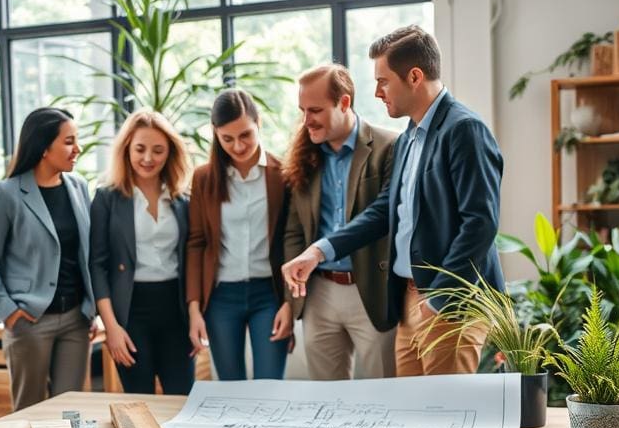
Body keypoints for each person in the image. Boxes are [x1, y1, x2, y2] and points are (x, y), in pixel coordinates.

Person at [282, 26, 504, 376]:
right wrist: (318, 251)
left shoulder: (464, 130)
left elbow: (480, 223)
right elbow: (384, 211)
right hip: (409, 299)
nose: (376, 92)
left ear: (414, 77)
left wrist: (441, 297)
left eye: (383, 81)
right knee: (410, 416)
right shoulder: (407, 139)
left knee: (445, 417)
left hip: (449, 302)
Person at [0, 107, 95, 410]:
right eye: (69, 141)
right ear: (44, 147)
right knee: (30, 413)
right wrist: (10, 313)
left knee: (71, 413)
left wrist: (91, 308)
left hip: (76, 321)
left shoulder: (79, 187)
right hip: (29, 321)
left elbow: (87, 255)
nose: (77, 149)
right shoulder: (7, 194)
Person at [282, 64, 398, 380]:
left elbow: (383, 216)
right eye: (302, 110)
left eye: (315, 110)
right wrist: (293, 296)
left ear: (344, 103)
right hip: (318, 293)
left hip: (370, 290)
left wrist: (319, 250)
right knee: (327, 400)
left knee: (385, 393)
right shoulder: (303, 156)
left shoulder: (389, 146)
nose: (306, 120)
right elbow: (294, 230)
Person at [187, 89, 292, 380]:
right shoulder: (204, 178)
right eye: (227, 138)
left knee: (269, 386)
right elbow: (196, 244)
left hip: (268, 295)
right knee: (231, 389)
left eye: (245, 134)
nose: (237, 145)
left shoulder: (282, 173)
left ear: (259, 123)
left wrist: (289, 302)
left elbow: (291, 239)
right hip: (222, 297)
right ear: (216, 135)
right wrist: (195, 309)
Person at [89, 110, 194, 395]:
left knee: (181, 398)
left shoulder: (182, 198)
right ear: (126, 150)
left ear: (170, 153)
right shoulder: (106, 198)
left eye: (158, 150)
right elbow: (96, 266)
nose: (148, 158)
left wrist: (197, 315)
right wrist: (110, 327)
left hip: (175, 310)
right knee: (140, 403)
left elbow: (194, 258)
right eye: (140, 149)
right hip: (130, 312)